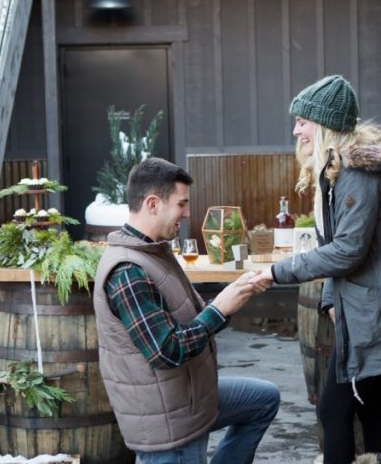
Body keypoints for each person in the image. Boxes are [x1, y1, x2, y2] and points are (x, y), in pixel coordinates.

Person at [249, 75, 381, 464]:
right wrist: (328, 299)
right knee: (369, 406)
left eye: (302, 121)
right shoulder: (336, 171)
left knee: (334, 410)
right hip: (364, 306)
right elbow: (334, 245)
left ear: (324, 124)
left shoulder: (356, 174)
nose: (296, 131)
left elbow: (348, 251)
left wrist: (276, 272)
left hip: (380, 308)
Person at [93, 157, 280, 464]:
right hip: (169, 427)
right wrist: (219, 309)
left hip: (188, 396)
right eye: (181, 204)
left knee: (263, 400)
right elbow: (167, 350)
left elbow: (191, 318)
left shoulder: (154, 251)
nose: (187, 212)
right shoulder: (128, 270)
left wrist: (235, 294)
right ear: (153, 204)